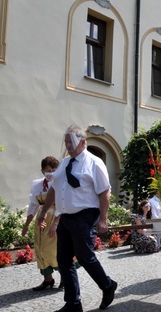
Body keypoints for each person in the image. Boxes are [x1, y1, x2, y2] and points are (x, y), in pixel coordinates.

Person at [38, 125, 117, 312]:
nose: (67, 145)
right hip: (65, 217)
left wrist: (103, 219)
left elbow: (104, 192)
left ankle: (107, 285)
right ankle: (73, 303)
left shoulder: (94, 163)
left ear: (83, 142)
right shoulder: (65, 163)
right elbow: (54, 189)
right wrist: (43, 212)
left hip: (85, 216)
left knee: (85, 257)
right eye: (65, 141)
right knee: (63, 260)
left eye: (70, 141)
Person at [22, 156, 62, 291]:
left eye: (53, 170)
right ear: (42, 171)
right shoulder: (38, 185)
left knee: (56, 250)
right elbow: (33, 206)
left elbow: (63, 205)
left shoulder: (60, 183)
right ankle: (48, 280)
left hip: (57, 217)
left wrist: (55, 224)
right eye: (47, 171)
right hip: (41, 219)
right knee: (41, 249)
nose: (50, 173)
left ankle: (66, 278)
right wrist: (27, 225)